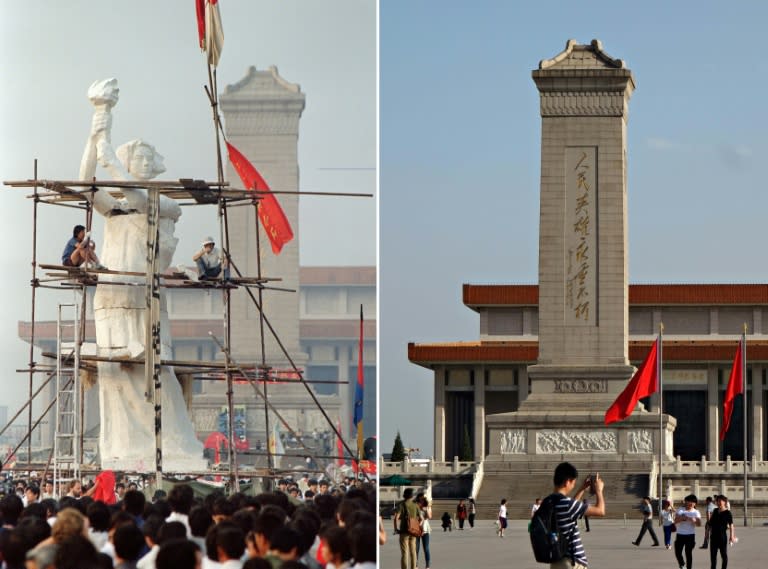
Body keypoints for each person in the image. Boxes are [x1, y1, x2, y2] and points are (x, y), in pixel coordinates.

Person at [78, 78, 204, 471]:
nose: (147, 163)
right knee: (116, 373)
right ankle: (121, 449)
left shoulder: (162, 205)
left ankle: (170, 445)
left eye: (151, 158)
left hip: (145, 299)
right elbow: (86, 185)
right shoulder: (116, 208)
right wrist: (96, 125)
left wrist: (107, 148)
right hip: (113, 295)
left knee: (154, 373)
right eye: (141, 158)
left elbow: (130, 190)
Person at [548, 462, 605, 569]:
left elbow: (571, 507)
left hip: (556, 562)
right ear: (567, 482)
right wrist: (599, 491)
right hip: (571, 561)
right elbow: (600, 511)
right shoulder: (567, 503)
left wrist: (582, 488)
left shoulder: (549, 501)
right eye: (573, 483)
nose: (573, 485)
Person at [392, 488, 420, 569]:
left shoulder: (401, 505)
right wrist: (417, 526)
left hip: (404, 531)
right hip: (413, 531)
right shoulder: (415, 505)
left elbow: (396, 518)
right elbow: (421, 518)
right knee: (413, 552)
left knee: (404, 553)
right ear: (412, 496)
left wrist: (396, 529)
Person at [674, 494, 702, 569]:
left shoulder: (696, 512)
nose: (689, 503)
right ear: (685, 502)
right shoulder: (680, 509)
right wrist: (682, 518)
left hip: (690, 535)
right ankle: (682, 563)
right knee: (678, 552)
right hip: (680, 534)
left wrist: (695, 521)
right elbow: (675, 521)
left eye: (692, 502)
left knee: (688, 553)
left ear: (695, 504)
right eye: (688, 501)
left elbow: (699, 524)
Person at [709, 495, 735, 569]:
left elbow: (731, 525)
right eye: (718, 501)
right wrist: (707, 534)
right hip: (713, 537)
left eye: (721, 501)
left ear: (724, 502)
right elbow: (710, 523)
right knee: (713, 558)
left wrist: (731, 536)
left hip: (722, 537)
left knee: (724, 556)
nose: (719, 502)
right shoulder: (715, 511)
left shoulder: (728, 513)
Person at [414, 493, 431, 569]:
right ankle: (416, 565)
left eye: (423, 498)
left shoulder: (427, 506)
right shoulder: (415, 506)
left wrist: (426, 510)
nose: (422, 500)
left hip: (425, 529)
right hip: (416, 529)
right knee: (416, 549)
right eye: (421, 498)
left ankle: (427, 565)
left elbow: (429, 517)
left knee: (426, 548)